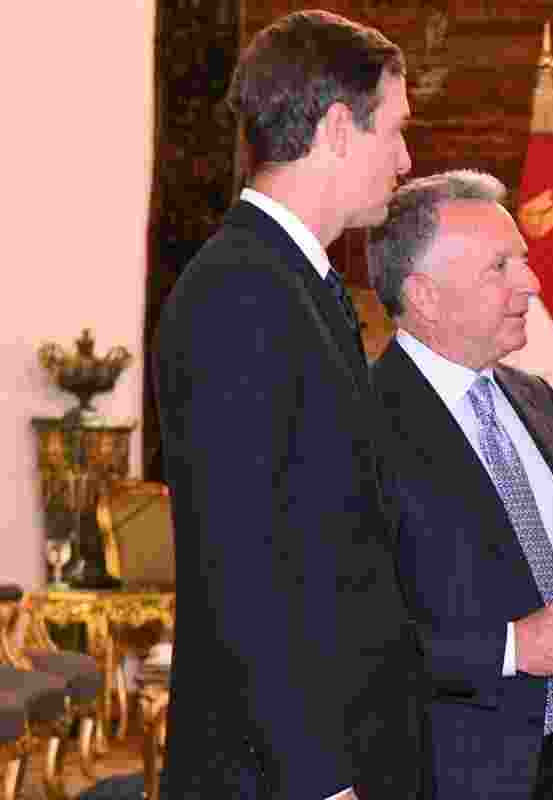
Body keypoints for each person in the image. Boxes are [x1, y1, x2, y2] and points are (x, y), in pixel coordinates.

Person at [153, 10, 423, 800]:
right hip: (280, 773)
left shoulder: (298, 282)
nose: (406, 160)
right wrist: (319, 780)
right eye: (396, 132)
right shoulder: (241, 291)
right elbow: (242, 569)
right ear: (339, 128)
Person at [367, 170, 553, 800]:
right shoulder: (360, 422)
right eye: (503, 267)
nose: (532, 282)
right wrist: (513, 648)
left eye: (523, 260)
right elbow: (348, 634)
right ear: (425, 294)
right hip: (437, 771)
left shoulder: (538, 400)